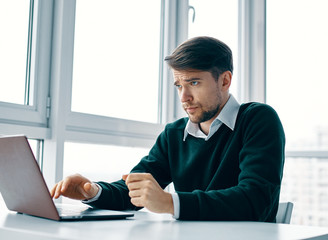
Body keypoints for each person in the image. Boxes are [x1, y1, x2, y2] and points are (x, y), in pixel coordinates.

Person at [50, 36, 285, 221]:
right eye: (178, 85)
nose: (184, 97)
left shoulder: (258, 119)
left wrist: (170, 203)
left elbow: (256, 200)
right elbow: (135, 190)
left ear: (224, 80)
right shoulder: (174, 134)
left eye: (193, 82)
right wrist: (92, 191)